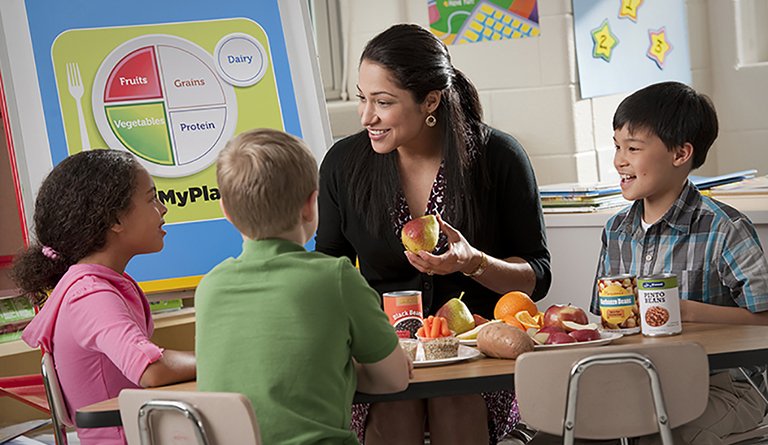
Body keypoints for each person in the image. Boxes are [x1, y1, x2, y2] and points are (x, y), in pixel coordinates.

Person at [316, 24, 551, 444]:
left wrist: (473, 263)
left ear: (430, 100)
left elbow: (536, 274)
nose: (367, 116)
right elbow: (327, 265)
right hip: (382, 354)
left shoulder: (498, 157)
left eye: (383, 102)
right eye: (362, 98)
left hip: (477, 355)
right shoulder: (343, 164)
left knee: (454, 402)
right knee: (395, 405)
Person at [195, 128, 411, 444]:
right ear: (311, 205)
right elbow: (393, 380)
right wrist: (341, 369)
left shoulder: (210, 287)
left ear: (226, 212)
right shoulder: (336, 277)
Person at [586, 81, 768, 444]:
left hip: (726, 387)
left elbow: (764, 321)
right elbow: (604, 318)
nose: (619, 160)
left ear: (681, 154)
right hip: (640, 381)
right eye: (617, 146)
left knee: (663, 436)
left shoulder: (724, 228)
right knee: (571, 432)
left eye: (633, 148)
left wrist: (682, 311)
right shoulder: (616, 229)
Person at [14, 150, 196, 445]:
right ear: (115, 219)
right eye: (152, 199)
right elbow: (150, 369)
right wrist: (226, 360)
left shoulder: (103, 284)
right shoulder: (91, 296)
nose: (163, 209)